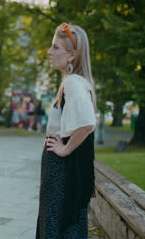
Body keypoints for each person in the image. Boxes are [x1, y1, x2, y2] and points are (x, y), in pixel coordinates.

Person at [36, 23, 97, 239]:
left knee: (55, 230)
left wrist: (65, 149)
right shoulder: (73, 82)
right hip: (60, 171)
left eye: (55, 48)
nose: (49, 52)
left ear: (71, 55)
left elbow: (87, 123)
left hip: (60, 171)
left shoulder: (73, 83)